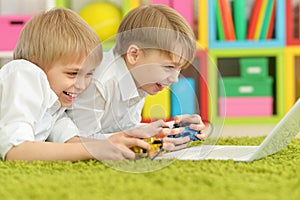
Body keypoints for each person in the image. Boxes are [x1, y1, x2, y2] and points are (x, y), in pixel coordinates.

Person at [0, 7, 162, 162]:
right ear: (37, 64)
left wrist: (128, 140)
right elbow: (16, 150)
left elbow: (72, 141)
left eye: (89, 74)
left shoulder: (56, 107)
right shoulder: (23, 73)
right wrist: (94, 150)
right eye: (72, 73)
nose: (82, 85)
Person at [68, 4, 206, 152]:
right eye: (169, 67)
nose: (175, 79)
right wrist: (134, 137)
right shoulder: (100, 81)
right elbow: (78, 139)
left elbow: (126, 128)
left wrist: (170, 129)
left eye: (179, 69)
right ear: (134, 55)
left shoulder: (140, 78)